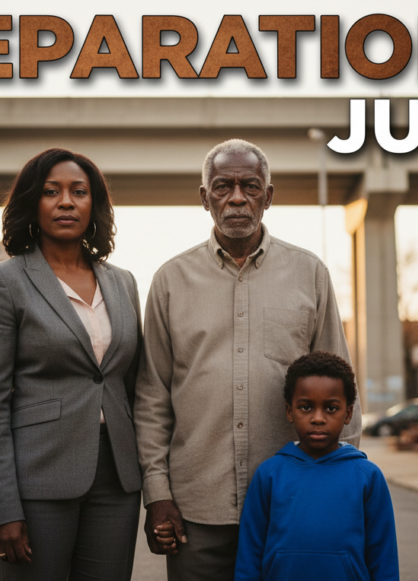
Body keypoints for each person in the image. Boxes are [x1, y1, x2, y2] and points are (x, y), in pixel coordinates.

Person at [134, 138, 362, 581]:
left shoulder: (310, 274)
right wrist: (157, 494)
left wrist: (342, 484)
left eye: (250, 186)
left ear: (268, 196)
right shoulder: (169, 281)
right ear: (205, 198)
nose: (236, 198)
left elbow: (341, 387)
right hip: (197, 509)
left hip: (293, 503)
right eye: (222, 187)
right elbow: (151, 399)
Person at [0, 148, 143, 581]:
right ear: (34, 202)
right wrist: (2, 508)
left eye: (79, 192)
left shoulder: (123, 282)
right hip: (38, 480)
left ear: (93, 204)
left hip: (117, 479)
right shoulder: (3, 282)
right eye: (52, 192)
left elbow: (133, 387)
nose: (66, 202)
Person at [234, 352, 399, 581]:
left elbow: (384, 559)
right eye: (306, 407)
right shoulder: (269, 474)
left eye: (331, 408)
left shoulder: (368, 477)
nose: (318, 418)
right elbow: (249, 557)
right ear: (290, 411)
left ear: (348, 413)